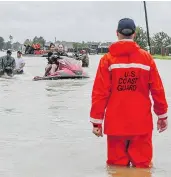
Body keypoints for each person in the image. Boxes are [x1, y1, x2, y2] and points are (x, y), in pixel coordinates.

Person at [90, 18, 168, 168]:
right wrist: (162, 116)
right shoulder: (146, 58)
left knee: (116, 169)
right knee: (143, 167)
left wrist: (96, 122)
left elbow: (100, 93)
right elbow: (157, 90)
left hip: (115, 125)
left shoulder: (107, 60)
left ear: (117, 33)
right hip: (141, 124)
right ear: (134, 34)